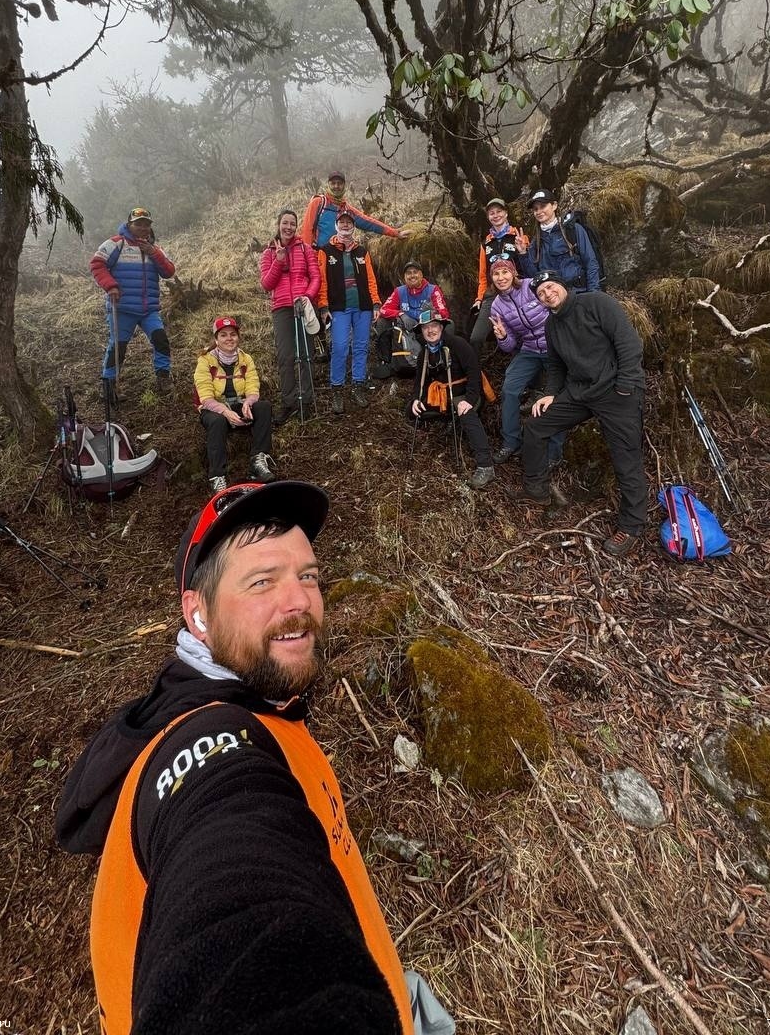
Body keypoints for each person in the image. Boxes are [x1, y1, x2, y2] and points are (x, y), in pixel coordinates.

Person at [55, 481, 420, 1035]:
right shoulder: (210, 739)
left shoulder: (263, 703)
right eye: (262, 581)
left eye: (308, 576)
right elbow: (234, 884)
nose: (300, 601)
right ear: (198, 616)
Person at [522, 270, 647, 555]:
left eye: (550, 287)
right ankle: (536, 488)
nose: (547, 294)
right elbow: (556, 365)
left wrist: (625, 386)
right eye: (541, 293)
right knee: (535, 426)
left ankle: (631, 526)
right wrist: (551, 393)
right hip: (580, 393)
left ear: (562, 285)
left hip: (616, 392)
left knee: (625, 457)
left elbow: (628, 343)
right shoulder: (552, 325)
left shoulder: (597, 303)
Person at [487, 255, 566, 471]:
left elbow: (556, 306)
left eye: (505, 272)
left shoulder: (531, 287)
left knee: (557, 394)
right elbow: (509, 346)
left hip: (554, 346)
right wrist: (503, 336)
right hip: (529, 349)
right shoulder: (496, 306)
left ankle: (554, 452)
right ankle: (511, 442)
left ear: (514, 273)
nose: (501, 277)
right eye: (496, 274)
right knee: (509, 389)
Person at [90, 206, 175, 400]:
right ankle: (109, 387)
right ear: (129, 225)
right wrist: (110, 286)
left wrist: (154, 253)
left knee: (161, 340)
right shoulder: (115, 243)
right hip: (122, 308)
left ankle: (163, 378)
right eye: (138, 224)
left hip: (149, 309)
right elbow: (96, 264)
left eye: (146, 224)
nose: (143, 228)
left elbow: (169, 272)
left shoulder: (155, 249)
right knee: (118, 347)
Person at [409, 307, 495, 490]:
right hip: (442, 396)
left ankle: (486, 466)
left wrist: (469, 400)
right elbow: (419, 382)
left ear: (441, 327)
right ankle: (452, 420)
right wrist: (416, 399)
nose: (430, 331)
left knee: (466, 414)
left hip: (464, 393)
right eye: (425, 328)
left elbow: (474, 372)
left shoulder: (458, 344)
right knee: (412, 411)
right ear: (421, 331)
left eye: (434, 326)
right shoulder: (425, 353)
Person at [193, 317, 277, 492]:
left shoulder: (246, 358)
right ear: (216, 339)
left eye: (233, 334)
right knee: (217, 421)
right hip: (213, 408)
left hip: (239, 403)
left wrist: (248, 402)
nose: (229, 338)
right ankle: (217, 476)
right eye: (223, 335)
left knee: (264, 407)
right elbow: (205, 398)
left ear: (238, 337)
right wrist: (225, 411)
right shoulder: (205, 360)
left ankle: (258, 461)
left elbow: (253, 386)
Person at [259, 208, 321, 426]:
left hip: (303, 305)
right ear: (278, 225)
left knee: (306, 355)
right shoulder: (268, 253)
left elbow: (316, 277)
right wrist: (279, 260)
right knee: (285, 357)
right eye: (285, 223)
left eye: (292, 224)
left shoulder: (305, 249)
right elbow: (266, 284)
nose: (288, 227)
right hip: (281, 309)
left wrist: (307, 296)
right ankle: (289, 402)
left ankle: (307, 400)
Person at [317, 211, 381, 414]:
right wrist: (323, 306)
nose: (345, 225)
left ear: (353, 226)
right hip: (339, 308)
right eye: (342, 222)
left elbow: (371, 280)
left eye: (349, 222)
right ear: (336, 225)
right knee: (340, 347)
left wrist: (376, 303)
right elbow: (322, 281)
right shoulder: (325, 251)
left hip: (363, 306)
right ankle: (337, 389)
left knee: (361, 347)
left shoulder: (362, 251)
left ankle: (357, 386)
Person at [373, 260, 452, 377]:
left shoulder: (433, 290)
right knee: (382, 321)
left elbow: (444, 314)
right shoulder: (399, 291)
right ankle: (387, 361)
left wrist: (430, 314)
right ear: (404, 277)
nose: (412, 276)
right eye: (408, 273)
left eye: (415, 272)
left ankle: (442, 362)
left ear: (421, 274)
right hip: (406, 329)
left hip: (426, 328)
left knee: (450, 325)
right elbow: (383, 310)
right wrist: (401, 314)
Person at [515, 189, 602, 292]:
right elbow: (533, 277)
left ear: (554, 205)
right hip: (552, 297)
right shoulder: (536, 242)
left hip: (579, 292)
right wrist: (523, 253)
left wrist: (594, 292)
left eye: (543, 206)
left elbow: (590, 262)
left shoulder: (572, 229)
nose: (539, 212)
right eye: (535, 209)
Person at [300, 170, 412, 248]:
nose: (336, 186)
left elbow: (369, 223)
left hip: (340, 257)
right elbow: (306, 230)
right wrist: (307, 258)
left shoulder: (347, 209)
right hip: (319, 257)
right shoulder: (319, 203)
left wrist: (395, 233)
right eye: (333, 183)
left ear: (344, 185)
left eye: (339, 183)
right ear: (328, 184)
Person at [470, 198, 521, 351]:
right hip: (493, 294)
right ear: (488, 217)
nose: (496, 215)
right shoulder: (486, 244)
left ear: (506, 213)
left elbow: (527, 264)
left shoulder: (518, 236)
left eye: (499, 211)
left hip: (516, 291)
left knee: (520, 334)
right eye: (492, 213)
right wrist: (479, 298)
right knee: (476, 338)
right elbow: (483, 276)